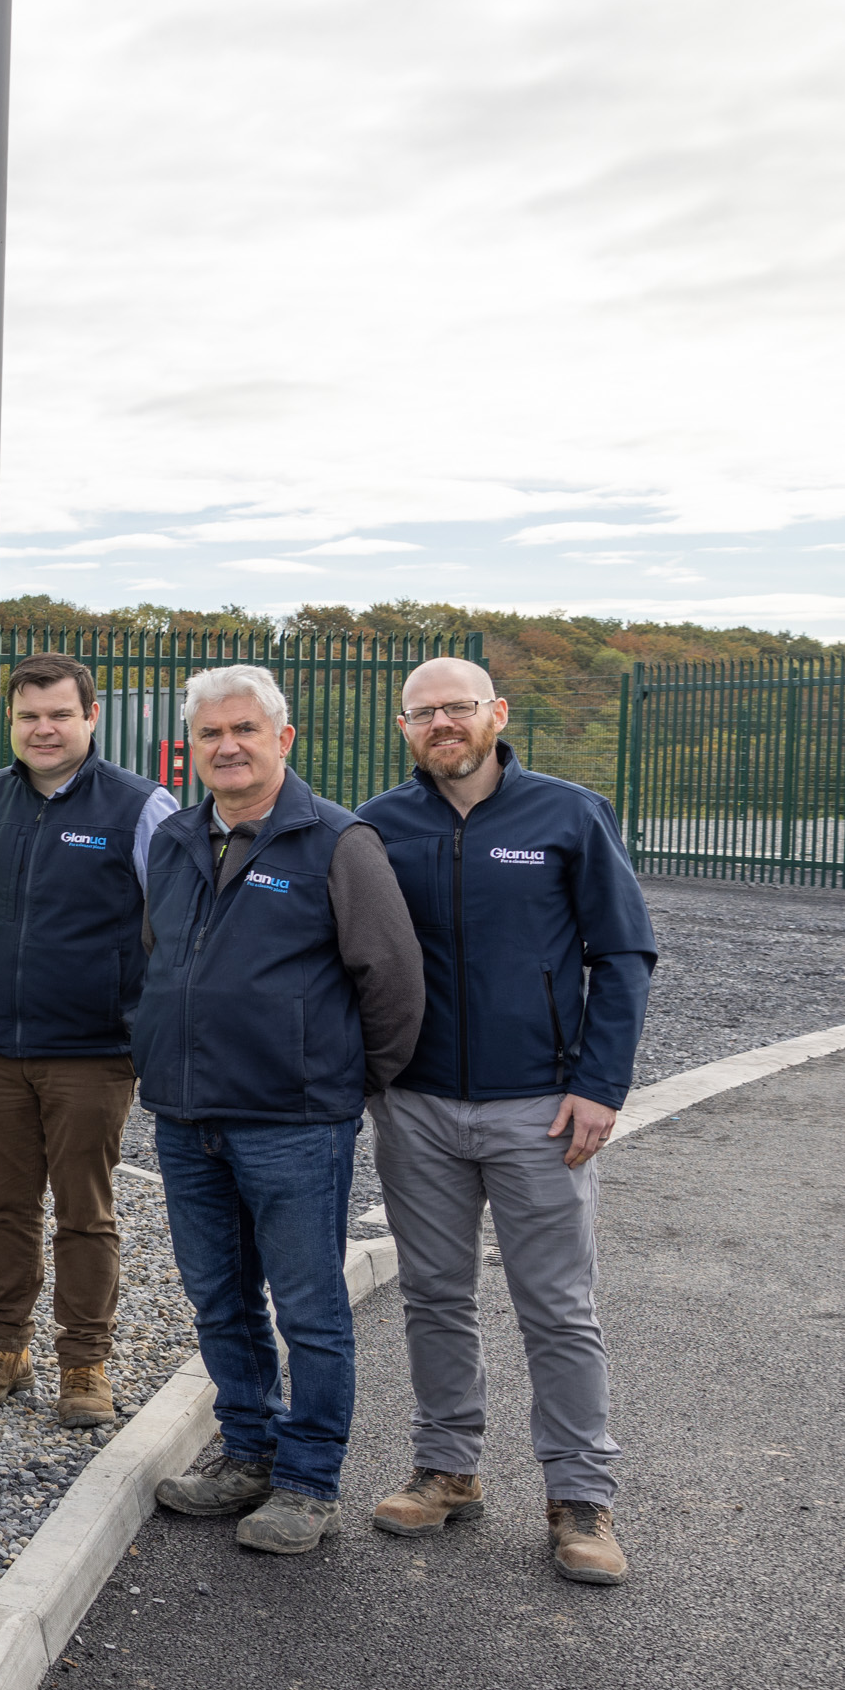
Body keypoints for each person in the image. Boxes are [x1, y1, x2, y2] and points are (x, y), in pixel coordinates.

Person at [356, 656, 657, 1586]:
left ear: (498, 714)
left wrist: (601, 1084)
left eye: (457, 707)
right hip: (417, 1105)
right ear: (404, 727)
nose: (441, 723)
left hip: (541, 1107)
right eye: (423, 713)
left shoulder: (569, 814)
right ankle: (447, 1468)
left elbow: (623, 954)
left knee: (558, 1307)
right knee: (433, 1296)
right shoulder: (377, 826)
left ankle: (580, 1497)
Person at [140, 664, 424, 1556]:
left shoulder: (337, 842)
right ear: (192, 748)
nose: (227, 747)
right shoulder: (175, 840)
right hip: (188, 1118)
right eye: (211, 734)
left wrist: (342, 1084)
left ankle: (308, 1482)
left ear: (282, 739)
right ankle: (249, 1455)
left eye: (245, 730)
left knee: (310, 1311)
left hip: (295, 1124)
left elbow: (392, 981)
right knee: (219, 1300)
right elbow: (158, 957)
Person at [0, 653, 180, 1430]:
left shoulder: (140, 807)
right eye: (29, 716)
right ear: (12, 721)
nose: (43, 729)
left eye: (60, 715)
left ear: (90, 717)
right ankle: (4, 1349)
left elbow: (171, 923)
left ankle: (85, 1362)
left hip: (92, 1053)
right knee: (5, 1208)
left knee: (86, 1213)